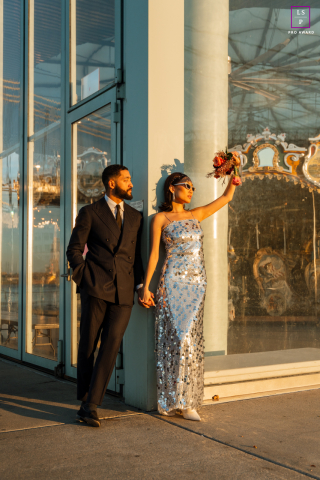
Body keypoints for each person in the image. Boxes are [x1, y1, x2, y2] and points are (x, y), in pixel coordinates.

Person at [140, 170, 239, 421]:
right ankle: (176, 400)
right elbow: (154, 255)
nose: (191, 190)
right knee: (177, 341)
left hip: (196, 285)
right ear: (172, 188)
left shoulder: (196, 215)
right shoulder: (160, 219)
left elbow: (226, 197)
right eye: (187, 186)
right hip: (172, 283)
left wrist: (234, 171)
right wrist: (146, 286)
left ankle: (189, 401)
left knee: (191, 342)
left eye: (193, 187)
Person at [66, 165, 152, 427]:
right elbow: (74, 249)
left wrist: (139, 287)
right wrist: (84, 277)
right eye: (126, 179)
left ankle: (90, 404)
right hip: (96, 288)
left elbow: (135, 258)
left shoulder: (136, 217)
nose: (131, 184)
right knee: (89, 345)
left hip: (124, 291)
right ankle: (85, 397)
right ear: (111, 183)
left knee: (111, 346)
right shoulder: (90, 212)